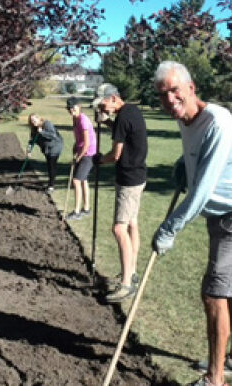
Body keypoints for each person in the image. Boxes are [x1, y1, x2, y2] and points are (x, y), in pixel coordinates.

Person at [152, 60, 232, 386]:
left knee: (214, 295)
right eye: (162, 95)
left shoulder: (218, 121)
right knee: (226, 294)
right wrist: (183, 165)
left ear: (191, 88)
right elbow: (201, 162)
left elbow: (202, 193)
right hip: (220, 217)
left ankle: (214, 380)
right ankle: (226, 362)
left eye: (174, 90)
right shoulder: (185, 120)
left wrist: (170, 228)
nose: (170, 99)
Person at [92, 83, 148, 303]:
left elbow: (116, 154)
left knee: (119, 229)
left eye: (104, 103)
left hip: (128, 180)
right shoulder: (131, 111)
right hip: (138, 176)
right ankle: (131, 271)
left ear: (113, 98)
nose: (103, 107)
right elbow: (122, 132)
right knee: (132, 223)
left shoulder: (124, 117)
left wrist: (99, 160)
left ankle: (126, 285)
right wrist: (106, 122)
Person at [66, 97, 97, 220]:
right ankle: (87, 208)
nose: (71, 110)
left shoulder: (83, 120)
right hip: (82, 151)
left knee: (76, 181)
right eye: (69, 108)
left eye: (73, 108)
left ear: (79, 107)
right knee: (83, 180)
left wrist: (78, 158)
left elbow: (87, 143)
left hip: (88, 153)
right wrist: (75, 148)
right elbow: (79, 139)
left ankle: (77, 212)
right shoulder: (75, 119)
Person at [26, 114, 63, 192]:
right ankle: (51, 183)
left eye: (34, 119)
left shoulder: (47, 124)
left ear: (39, 119)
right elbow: (31, 141)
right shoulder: (34, 130)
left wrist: (42, 132)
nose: (33, 122)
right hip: (46, 149)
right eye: (31, 121)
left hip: (55, 146)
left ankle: (51, 186)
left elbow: (53, 136)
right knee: (49, 165)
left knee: (51, 165)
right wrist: (29, 151)